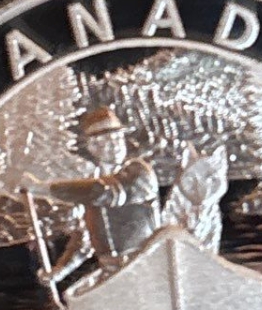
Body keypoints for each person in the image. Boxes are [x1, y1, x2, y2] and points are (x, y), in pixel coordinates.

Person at [23, 106, 160, 286]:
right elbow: (85, 239)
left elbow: (107, 193)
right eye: (107, 141)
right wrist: (60, 271)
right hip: (111, 272)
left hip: (145, 266)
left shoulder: (140, 173)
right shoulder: (88, 189)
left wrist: (44, 188)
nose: (116, 145)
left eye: (118, 138)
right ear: (92, 146)